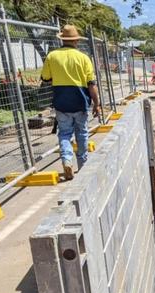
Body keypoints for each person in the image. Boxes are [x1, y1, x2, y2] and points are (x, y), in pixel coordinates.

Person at [41, 24, 101, 180]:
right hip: (80, 102)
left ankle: (67, 160)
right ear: (76, 40)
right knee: (81, 132)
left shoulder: (52, 56)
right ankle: (82, 164)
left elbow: (45, 77)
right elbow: (91, 84)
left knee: (65, 133)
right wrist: (97, 104)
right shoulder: (84, 58)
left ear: (62, 39)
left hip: (61, 102)